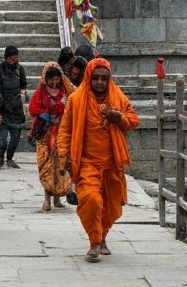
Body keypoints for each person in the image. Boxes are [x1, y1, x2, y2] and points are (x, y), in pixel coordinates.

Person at [58, 58, 140, 263]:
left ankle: (102, 236)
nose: (100, 82)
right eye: (96, 78)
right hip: (87, 163)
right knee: (91, 199)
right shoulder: (76, 100)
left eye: (104, 78)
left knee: (111, 206)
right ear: (88, 77)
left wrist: (118, 117)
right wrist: (64, 158)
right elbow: (65, 130)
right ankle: (94, 242)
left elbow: (133, 120)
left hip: (112, 163)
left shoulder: (117, 96)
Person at [28, 63, 72, 211]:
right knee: (46, 166)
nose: (54, 83)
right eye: (51, 80)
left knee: (59, 165)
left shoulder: (65, 92)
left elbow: (69, 111)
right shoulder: (41, 92)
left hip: (61, 134)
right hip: (45, 135)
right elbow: (33, 110)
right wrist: (56, 107)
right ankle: (47, 199)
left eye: (57, 80)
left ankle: (57, 198)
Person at [0, 45, 27, 169]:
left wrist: (23, 94)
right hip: (3, 108)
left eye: (16, 58)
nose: (15, 61)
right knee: (2, 138)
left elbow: (23, 85)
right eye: (12, 59)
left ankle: (10, 158)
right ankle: (0, 159)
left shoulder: (20, 69)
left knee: (15, 137)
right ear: (7, 58)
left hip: (17, 109)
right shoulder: (1, 69)